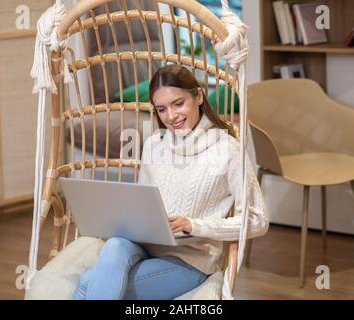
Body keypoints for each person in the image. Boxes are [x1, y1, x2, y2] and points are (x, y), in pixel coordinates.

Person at [73, 64, 268, 300]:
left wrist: (194, 225)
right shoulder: (155, 144)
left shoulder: (228, 150)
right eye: (162, 109)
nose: (171, 116)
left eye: (178, 104)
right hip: (145, 248)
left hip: (190, 260)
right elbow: (142, 203)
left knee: (86, 284)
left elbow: (258, 221)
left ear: (198, 96)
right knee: (114, 245)